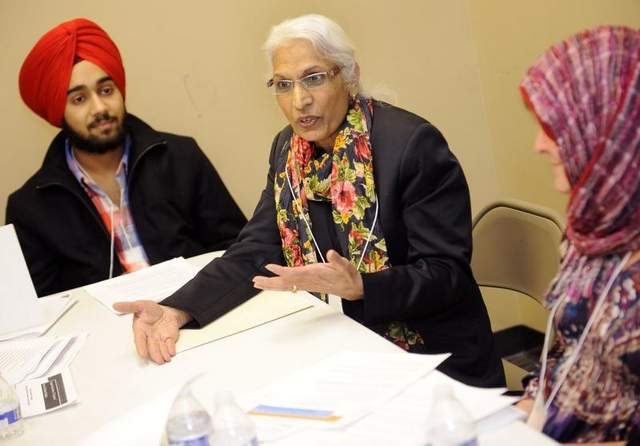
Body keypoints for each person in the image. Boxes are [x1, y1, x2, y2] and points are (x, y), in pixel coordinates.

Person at [115, 14, 504, 388]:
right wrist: (177, 308)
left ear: (349, 76)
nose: (299, 100)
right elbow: (257, 249)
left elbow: (446, 275)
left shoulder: (412, 145)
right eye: (283, 85)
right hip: (343, 343)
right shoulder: (287, 149)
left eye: (313, 79)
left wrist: (364, 287)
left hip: (433, 360)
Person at [6, 18, 247, 297]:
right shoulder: (31, 207)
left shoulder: (181, 157)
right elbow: (40, 310)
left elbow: (237, 247)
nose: (100, 108)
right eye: (79, 99)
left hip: (198, 314)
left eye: (106, 91)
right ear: (58, 113)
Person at [517, 26, 640, 445]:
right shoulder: (590, 226)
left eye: (553, 128)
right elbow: (568, 346)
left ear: (610, 129)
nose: (539, 146)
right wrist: (529, 402)